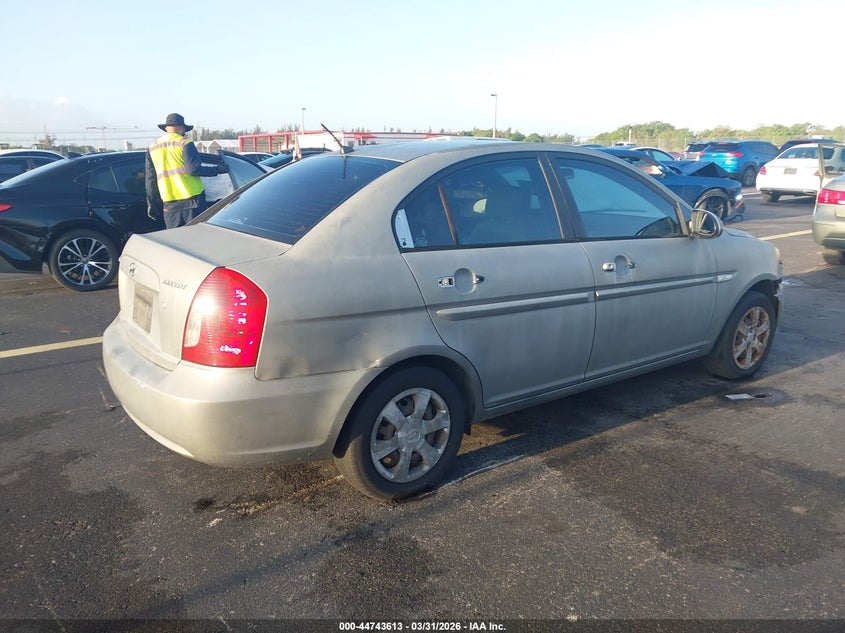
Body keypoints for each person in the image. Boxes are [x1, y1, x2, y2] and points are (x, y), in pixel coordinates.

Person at [145, 112, 228, 229]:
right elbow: (194, 169)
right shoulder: (184, 142)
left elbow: (150, 179)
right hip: (192, 201)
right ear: (181, 127)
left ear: (166, 128)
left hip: (170, 204)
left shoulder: (152, 147)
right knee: (198, 239)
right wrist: (218, 169)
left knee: (176, 241)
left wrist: (151, 203)